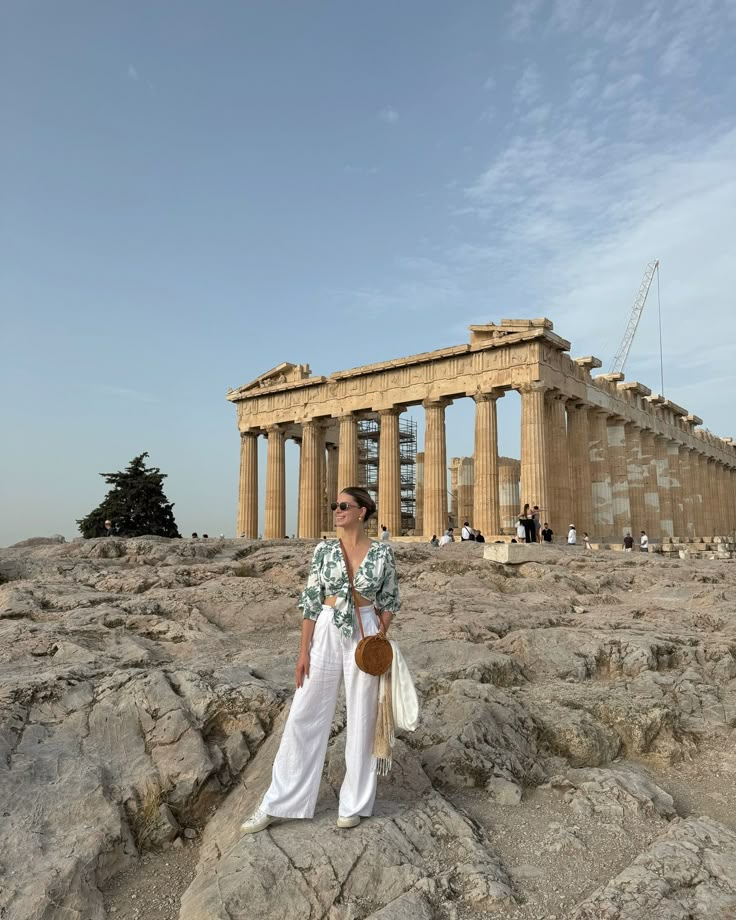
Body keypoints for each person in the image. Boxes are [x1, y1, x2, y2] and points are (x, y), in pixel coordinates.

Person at [240, 487, 400, 834]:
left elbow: (390, 600)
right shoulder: (324, 551)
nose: (336, 510)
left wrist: (379, 635)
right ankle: (280, 801)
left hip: (365, 630)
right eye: (334, 506)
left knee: (363, 717)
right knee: (304, 713)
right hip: (327, 627)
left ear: (362, 512)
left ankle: (354, 804)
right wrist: (303, 652)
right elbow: (311, 602)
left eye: (343, 506)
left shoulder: (383, 554)